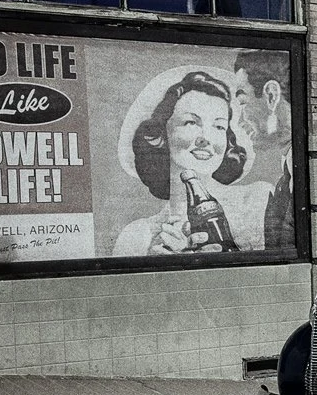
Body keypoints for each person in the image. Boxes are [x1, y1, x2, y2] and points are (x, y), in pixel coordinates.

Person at [113, 70, 272, 256]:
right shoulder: (138, 236)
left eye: (219, 126)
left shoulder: (258, 200)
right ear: (162, 134)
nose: (205, 138)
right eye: (191, 122)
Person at [231, 51, 296, 253]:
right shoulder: (286, 175)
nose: (240, 122)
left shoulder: (301, 173)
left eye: (242, 102)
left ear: (271, 95)